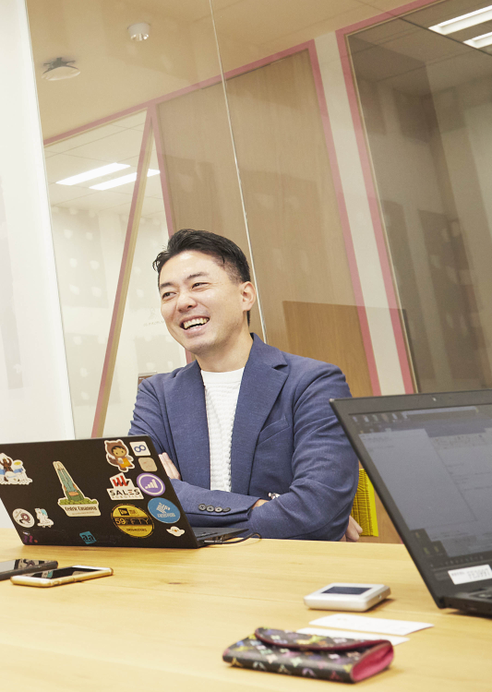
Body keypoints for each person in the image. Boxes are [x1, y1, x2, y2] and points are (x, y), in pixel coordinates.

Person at [129, 229, 358, 541]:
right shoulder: (157, 395)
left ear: (245, 295)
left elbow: (316, 512)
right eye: (168, 293)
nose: (182, 302)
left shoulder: (311, 382)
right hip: (188, 569)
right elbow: (140, 501)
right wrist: (265, 508)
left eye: (198, 285)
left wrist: (180, 503)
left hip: (281, 566)